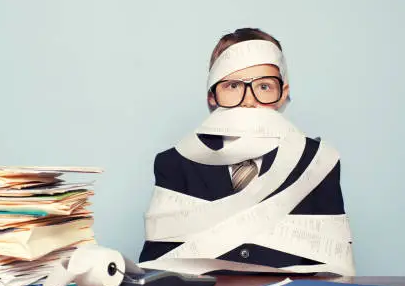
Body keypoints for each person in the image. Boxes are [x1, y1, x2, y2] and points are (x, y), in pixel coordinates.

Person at [138, 28, 347, 270]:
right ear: (212, 96)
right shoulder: (175, 164)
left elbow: (334, 266)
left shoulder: (317, 162)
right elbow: (157, 265)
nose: (249, 101)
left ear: (283, 94)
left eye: (265, 87)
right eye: (233, 86)